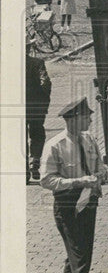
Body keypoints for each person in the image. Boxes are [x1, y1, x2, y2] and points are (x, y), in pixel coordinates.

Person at [40, 98, 108, 273]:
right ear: (73, 119)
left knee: (82, 256)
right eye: (86, 116)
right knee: (79, 258)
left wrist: (100, 174)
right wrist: (78, 181)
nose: (90, 119)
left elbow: (100, 165)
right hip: (67, 207)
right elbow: (46, 180)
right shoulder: (55, 145)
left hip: (88, 203)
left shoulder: (89, 139)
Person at [26, 39, 52, 183]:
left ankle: (23, 170)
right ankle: (35, 160)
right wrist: (44, 102)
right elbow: (46, 83)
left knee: (19, 137)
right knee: (37, 133)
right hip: (36, 107)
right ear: (29, 48)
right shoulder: (37, 63)